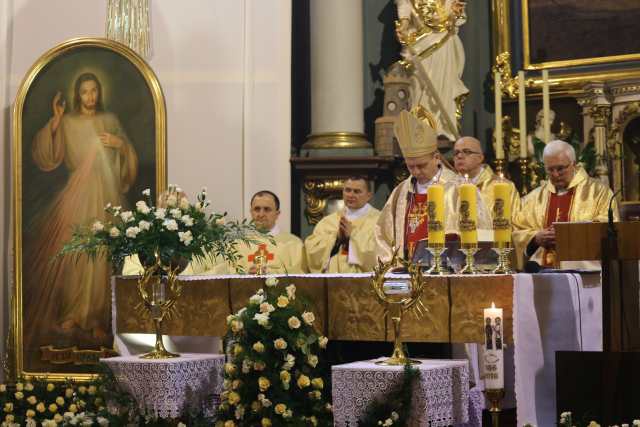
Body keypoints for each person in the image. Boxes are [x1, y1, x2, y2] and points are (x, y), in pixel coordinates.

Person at [24, 72, 138, 349]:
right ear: (78, 94)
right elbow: (46, 155)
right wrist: (55, 120)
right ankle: (72, 314)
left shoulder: (109, 121)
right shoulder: (68, 122)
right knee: (75, 253)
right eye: (85, 91)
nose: (90, 96)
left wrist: (120, 145)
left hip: (106, 193)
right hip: (77, 193)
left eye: (94, 91)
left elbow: (128, 159)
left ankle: (97, 320)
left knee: (100, 257)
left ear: (99, 93)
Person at [513, 140, 618, 269]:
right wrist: (535, 238)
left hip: (584, 271)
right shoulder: (534, 198)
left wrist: (569, 235)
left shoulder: (598, 192)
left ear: (573, 164)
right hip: (542, 273)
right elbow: (518, 230)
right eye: (550, 170)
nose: (556, 175)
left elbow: (608, 228)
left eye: (561, 168)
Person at [375, 109, 461, 263]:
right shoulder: (400, 192)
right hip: (406, 272)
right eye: (410, 166)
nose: (415, 171)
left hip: (446, 271)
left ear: (436, 158)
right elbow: (382, 235)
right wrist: (391, 266)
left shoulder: (457, 188)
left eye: (421, 165)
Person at [395, 0, 469, 140]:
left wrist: (455, 11)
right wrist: (404, 22)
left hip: (443, 38)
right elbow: (404, 3)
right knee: (418, 85)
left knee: (444, 84)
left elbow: (455, 7)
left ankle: (443, 128)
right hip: (419, 38)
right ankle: (421, 129)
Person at [200, 191, 306, 275]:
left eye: (267, 209)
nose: (261, 214)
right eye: (257, 209)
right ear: (251, 212)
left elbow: (299, 274)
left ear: (277, 214)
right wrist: (245, 273)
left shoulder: (294, 243)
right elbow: (227, 270)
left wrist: (271, 274)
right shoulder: (237, 244)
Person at [305, 176, 380, 273]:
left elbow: (382, 253)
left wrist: (353, 236)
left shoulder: (378, 221)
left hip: (364, 282)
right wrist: (336, 238)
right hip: (333, 278)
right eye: (347, 190)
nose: (351, 195)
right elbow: (312, 251)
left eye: (357, 191)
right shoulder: (328, 221)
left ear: (369, 195)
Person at [453, 136, 520, 223]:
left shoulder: (505, 187)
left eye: (466, 152)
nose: (460, 156)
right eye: (456, 152)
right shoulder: (448, 188)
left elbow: (515, 223)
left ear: (480, 158)